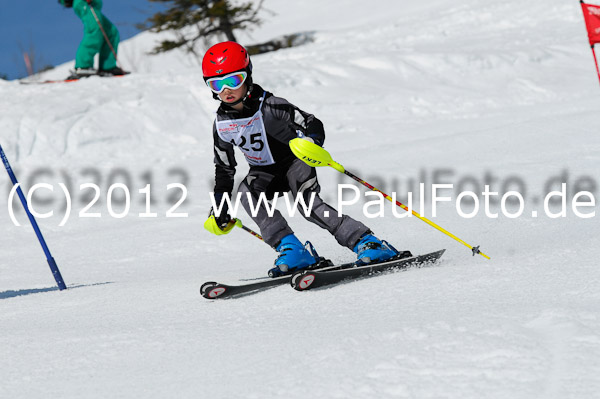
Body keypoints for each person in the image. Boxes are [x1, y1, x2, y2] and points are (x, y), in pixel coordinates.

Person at [202, 41, 409, 277]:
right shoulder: (221, 125)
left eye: (233, 80)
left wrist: (311, 142)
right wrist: (221, 207)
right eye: (217, 84)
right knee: (246, 192)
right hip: (264, 172)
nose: (226, 89)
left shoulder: (272, 106)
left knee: (308, 206)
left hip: (294, 163)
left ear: (248, 76)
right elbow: (224, 169)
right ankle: (292, 250)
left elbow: (312, 123)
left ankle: (368, 242)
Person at [58, 0, 128, 79]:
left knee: (111, 32)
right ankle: (83, 66)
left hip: (93, 3)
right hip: (83, 2)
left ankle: (108, 66)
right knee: (94, 31)